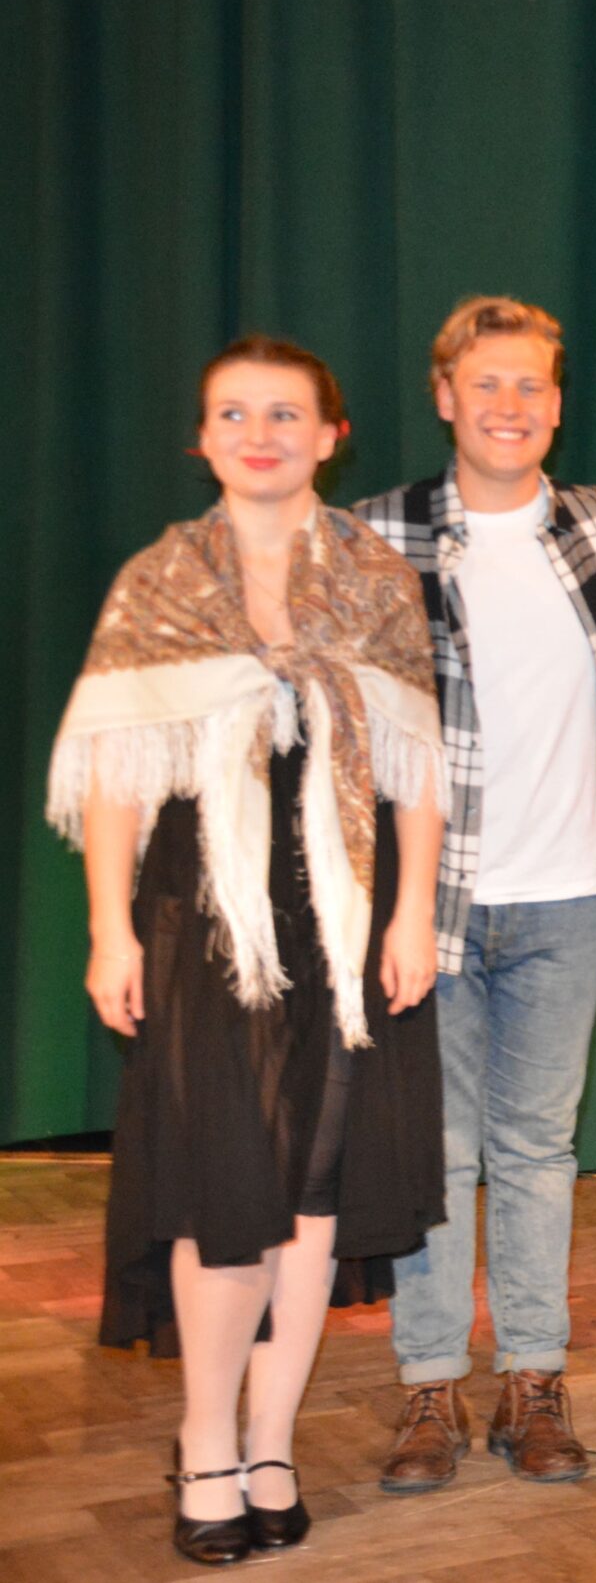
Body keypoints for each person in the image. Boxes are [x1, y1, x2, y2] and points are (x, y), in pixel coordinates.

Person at [51, 338, 447, 1564]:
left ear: (331, 435)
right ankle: (206, 1441)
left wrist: (412, 914)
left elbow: (416, 766)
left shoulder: (376, 576)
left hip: (343, 918)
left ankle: (271, 1441)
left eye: (285, 413)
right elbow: (114, 775)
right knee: (221, 1190)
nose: (259, 433)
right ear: (203, 438)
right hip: (203, 921)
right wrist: (108, 928)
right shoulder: (161, 578)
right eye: (234, 413)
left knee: (315, 1193)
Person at [355, 296, 596, 1493]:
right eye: (487, 384)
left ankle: (534, 1379)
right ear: (445, 396)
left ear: (557, 403)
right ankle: (429, 1385)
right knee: (437, 1155)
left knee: (539, 1149)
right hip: (423, 911)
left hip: (569, 896)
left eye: (532, 386)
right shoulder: (375, 533)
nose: (510, 406)